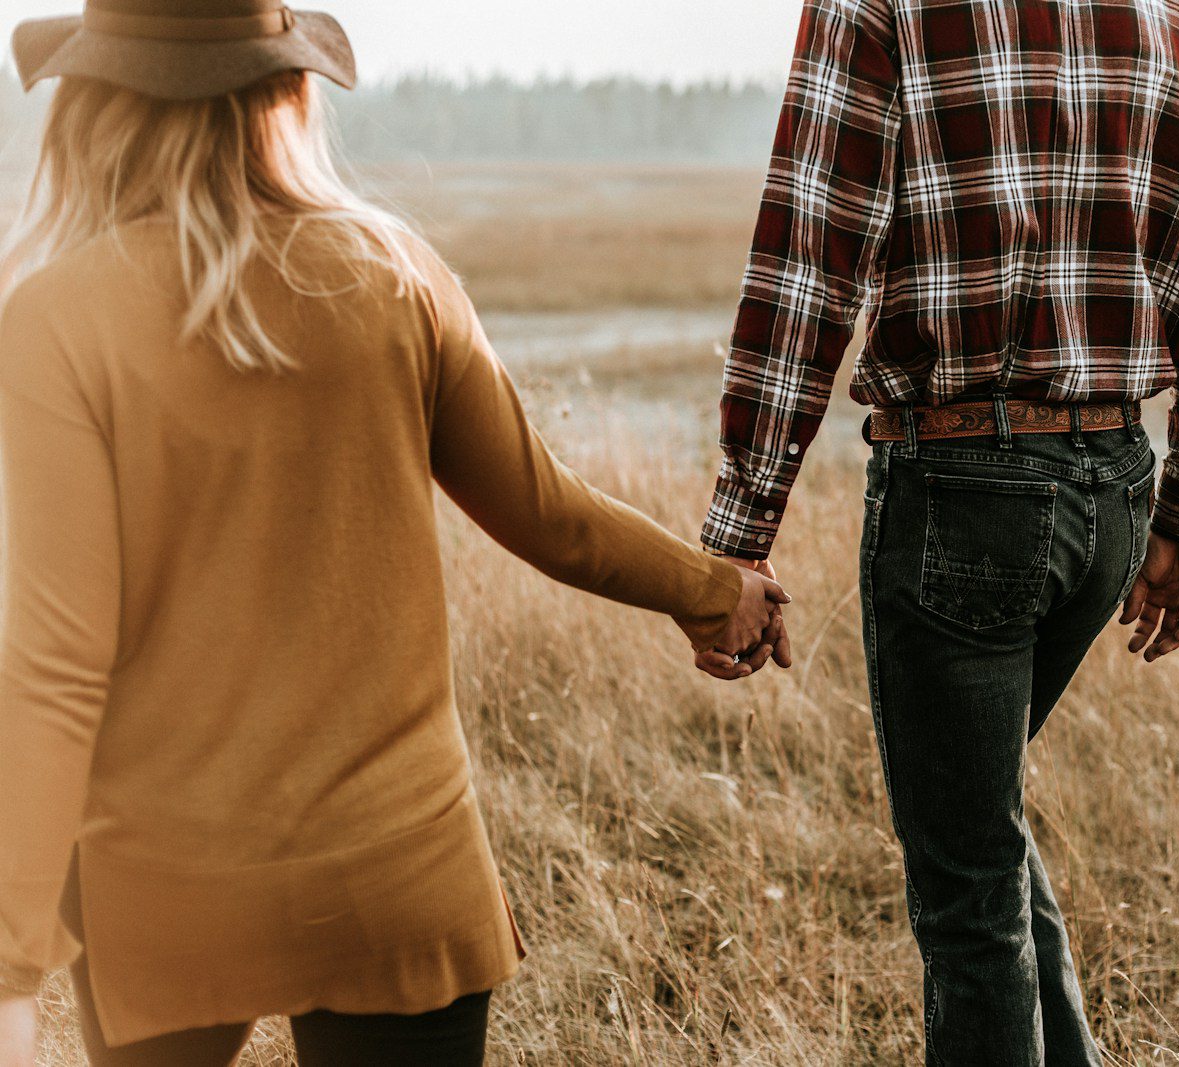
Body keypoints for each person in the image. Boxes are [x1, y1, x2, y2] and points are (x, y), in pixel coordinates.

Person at [0, 2, 789, 1064]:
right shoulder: (394, 272)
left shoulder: (54, 320)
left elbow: (54, 664)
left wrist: (10, 965)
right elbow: (546, 510)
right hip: (397, 873)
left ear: (93, 107)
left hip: (172, 885)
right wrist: (712, 588)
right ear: (287, 93)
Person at [700, 0, 1179, 1062]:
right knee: (978, 830)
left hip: (962, 488)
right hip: (1111, 490)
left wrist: (741, 529)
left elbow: (810, 259)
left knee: (965, 892)